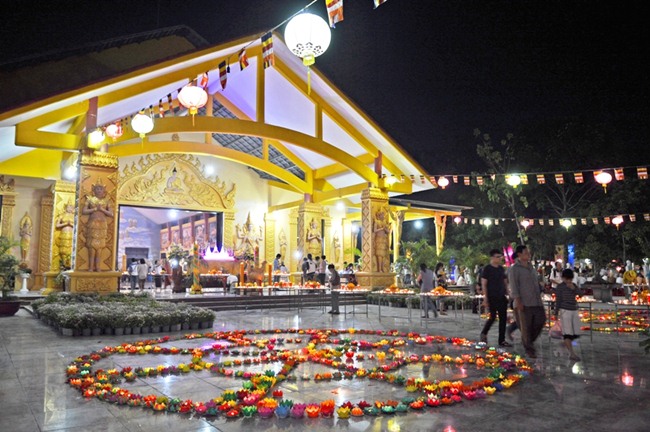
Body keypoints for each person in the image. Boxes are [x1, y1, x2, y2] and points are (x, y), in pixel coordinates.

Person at [509, 245, 546, 358]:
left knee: (541, 320)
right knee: (526, 327)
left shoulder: (531, 268)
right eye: (526, 253)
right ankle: (529, 348)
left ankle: (528, 341)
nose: (528, 255)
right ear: (519, 255)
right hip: (524, 302)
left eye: (528, 253)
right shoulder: (514, 269)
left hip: (536, 301)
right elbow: (514, 286)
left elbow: (535, 283)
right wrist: (518, 301)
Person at [480, 249, 512, 347]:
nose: (499, 259)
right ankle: (484, 332)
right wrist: (485, 298)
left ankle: (501, 340)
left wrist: (509, 293)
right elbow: (484, 284)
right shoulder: (487, 269)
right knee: (493, 317)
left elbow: (505, 282)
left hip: (501, 296)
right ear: (492, 257)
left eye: (500, 257)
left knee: (503, 318)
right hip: (492, 296)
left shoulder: (501, 269)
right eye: (497, 257)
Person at [82, 180, 113, 272]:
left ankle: (98, 267)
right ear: (94, 190)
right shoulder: (90, 199)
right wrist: (95, 209)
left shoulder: (106, 201)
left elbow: (111, 214)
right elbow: (84, 211)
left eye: (101, 189)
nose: (99, 190)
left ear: (104, 190)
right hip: (93, 224)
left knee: (100, 247)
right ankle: (91, 267)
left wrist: (102, 209)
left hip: (102, 225)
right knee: (91, 246)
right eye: (97, 189)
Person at [555, 268, 582, 361]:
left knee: (575, 332)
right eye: (567, 279)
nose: (568, 281)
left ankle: (566, 343)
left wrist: (574, 288)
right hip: (565, 310)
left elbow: (581, 294)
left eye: (570, 279)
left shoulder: (573, 285)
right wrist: (556, 312)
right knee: (567, 333)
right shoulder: (560, 287)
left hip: (574, 309)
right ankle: (572, 353)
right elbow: (558, 300)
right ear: (563, 278)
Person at [55, 202, 75, 269]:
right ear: (66, 208)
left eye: (71, 207)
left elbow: (77, 226)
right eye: (68, 207)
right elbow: (57, 225)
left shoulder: (74, 216)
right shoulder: (62, 215)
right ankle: (64, 265)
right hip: (64, 234)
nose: (69, 208)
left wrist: (70, 224)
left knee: (71, 248)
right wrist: (65, 224)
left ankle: (70, 265)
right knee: (63, 250)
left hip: (71, 234)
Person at [373, 207, 391, 272]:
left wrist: (385, 229)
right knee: (379, 255)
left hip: (384, 240)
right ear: (379, 216)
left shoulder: (384, 222)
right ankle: (379, 268)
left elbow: (388, 231)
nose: (383, 216)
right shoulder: (376, 222)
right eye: (382, 215)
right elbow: (374, 230)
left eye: (383, 215)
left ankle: (382, 268)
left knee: (383, 255)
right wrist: (381, 229)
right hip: (379, 239)